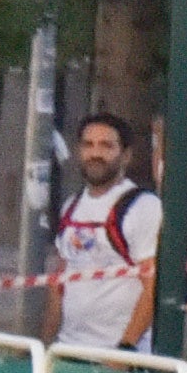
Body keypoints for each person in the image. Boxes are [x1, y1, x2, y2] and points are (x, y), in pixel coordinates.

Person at [52, 113, 163, 353]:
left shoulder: (142, 206)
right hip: (68, 349)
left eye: (106, 146)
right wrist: (46, 344)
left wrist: (125, 349)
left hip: (115, 356)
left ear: (126, 155)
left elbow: (153, 285)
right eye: (88, 145)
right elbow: (59, 283)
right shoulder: (71, 206)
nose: (96, 154)